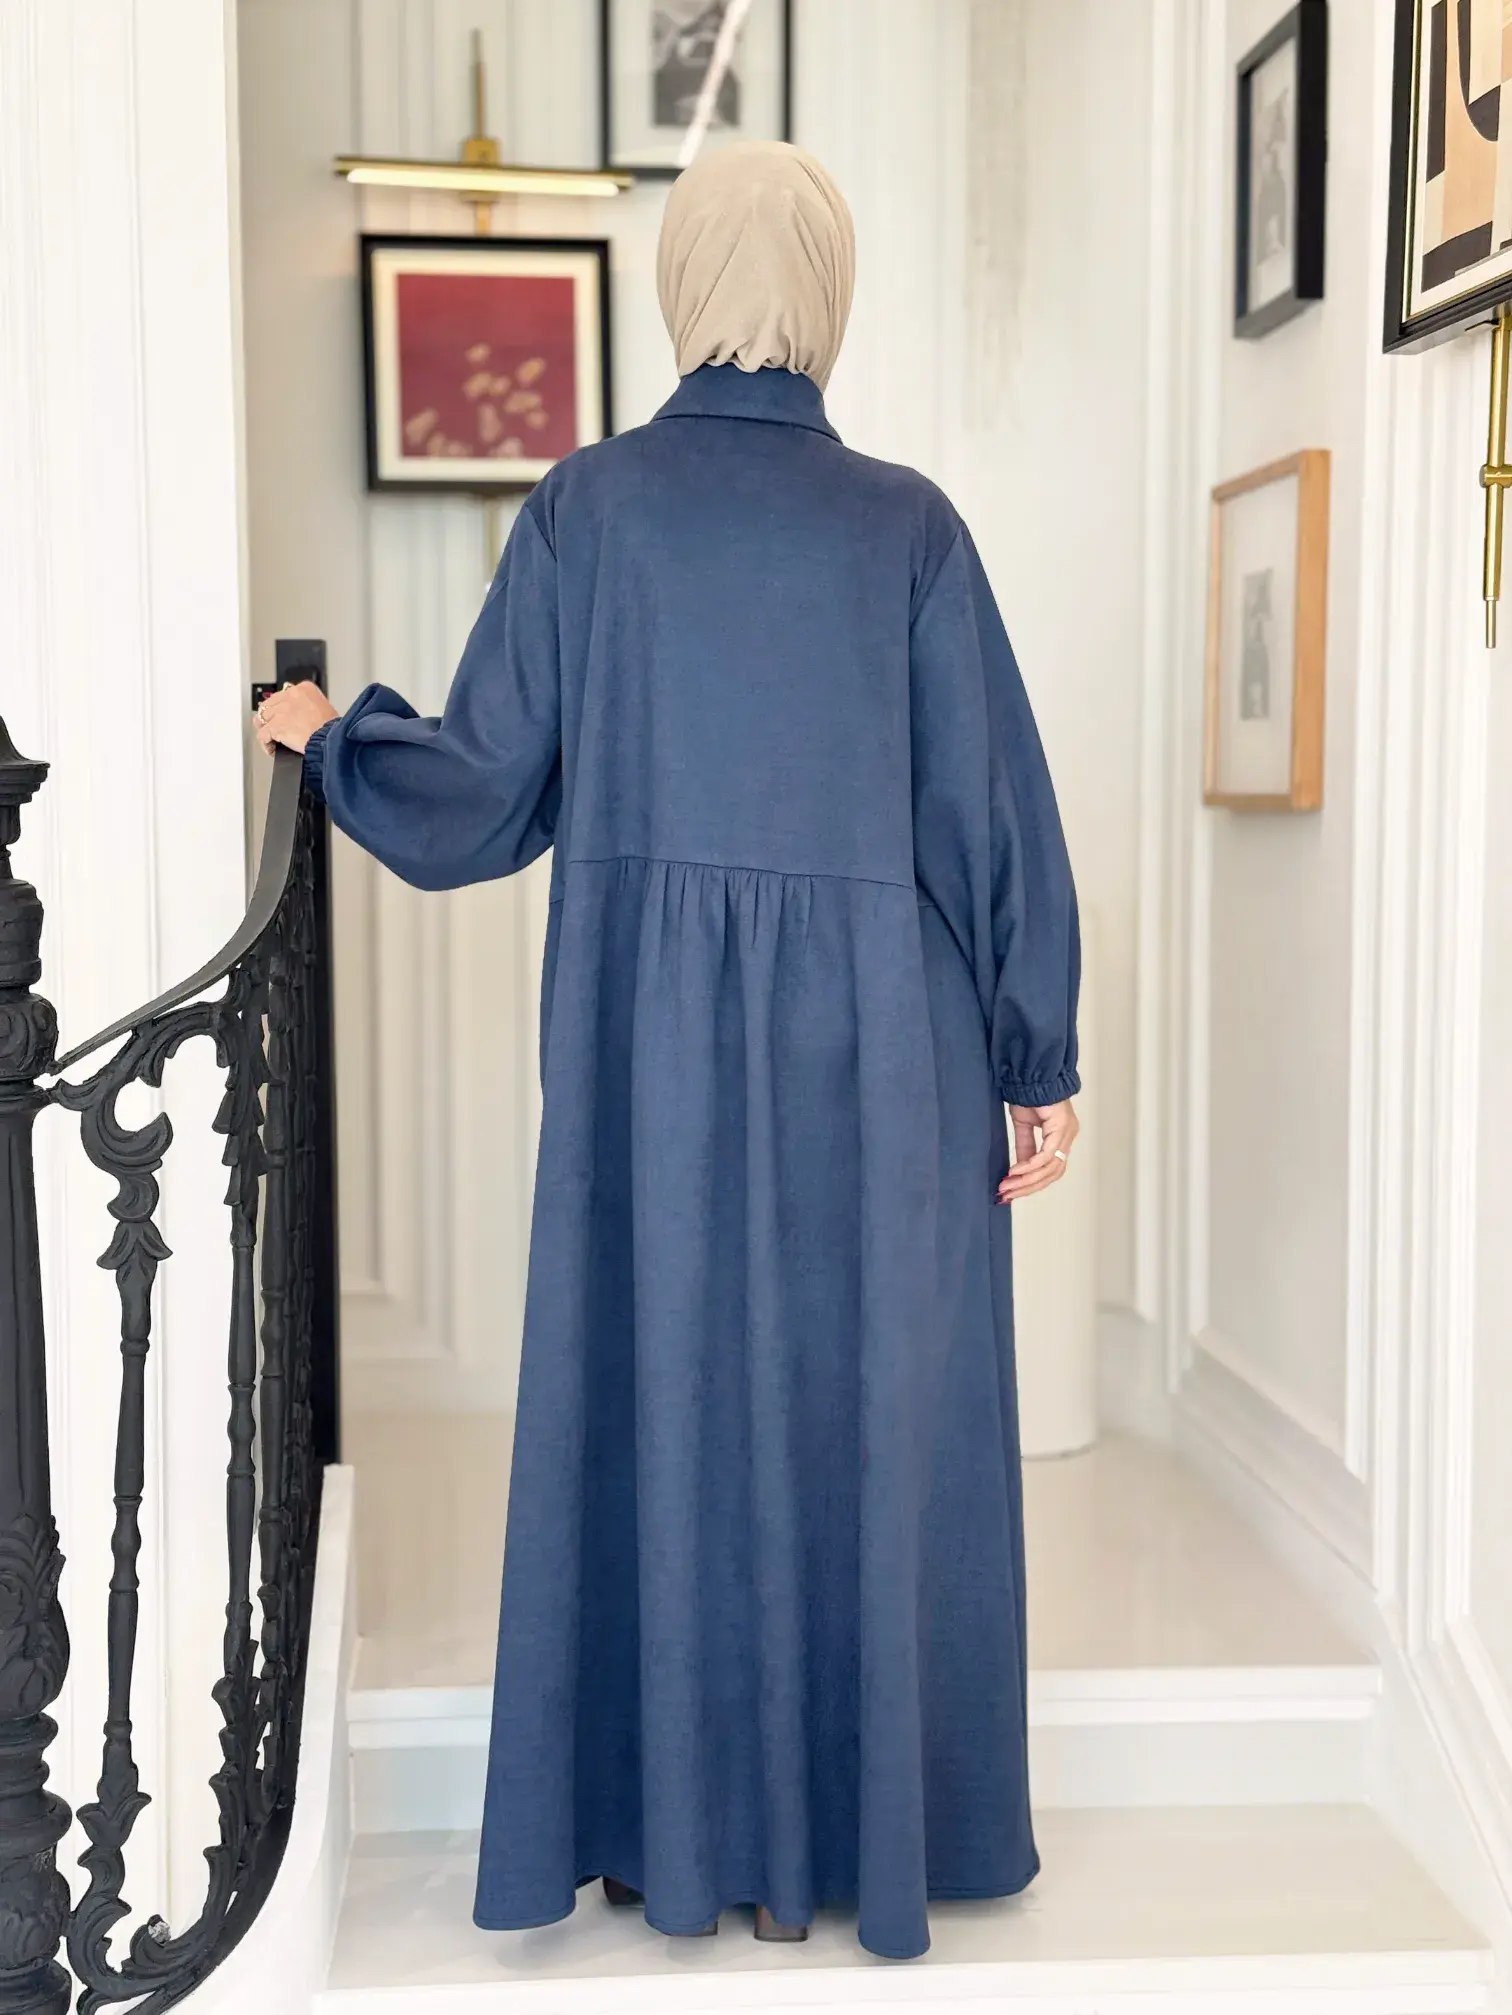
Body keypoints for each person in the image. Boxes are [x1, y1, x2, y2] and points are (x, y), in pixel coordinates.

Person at [258, 139, 1080, 1962]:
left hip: (658, 1053)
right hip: (889, 1050)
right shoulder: (911, 528)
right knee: (870, 1415)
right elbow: (993, 817)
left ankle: (671, 1824)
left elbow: (483, 793)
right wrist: (1036, 1050)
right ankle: (864, 1830)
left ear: (678, 285)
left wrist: (335, 741)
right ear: (833, 294)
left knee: (665, 1396)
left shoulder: (589, 511)